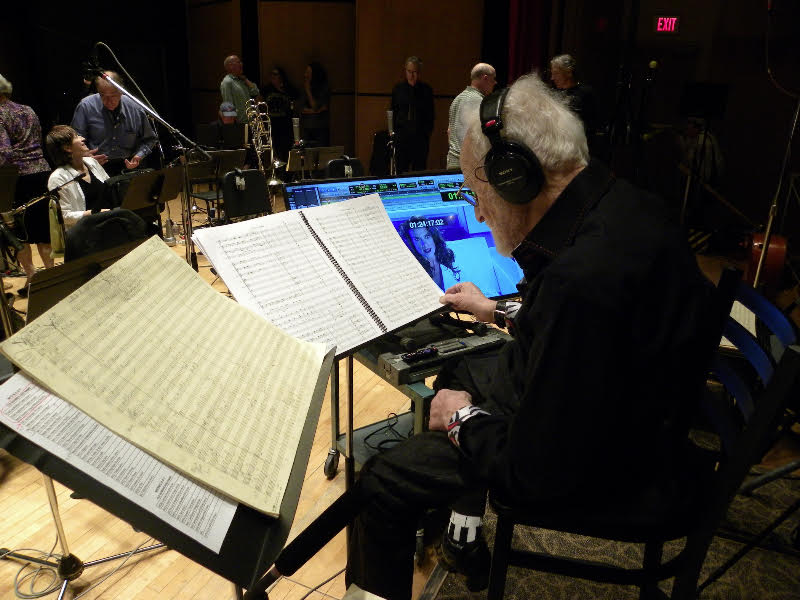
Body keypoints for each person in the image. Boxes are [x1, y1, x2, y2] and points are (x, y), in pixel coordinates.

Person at [345, 73, 716, 600]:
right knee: (465, 367)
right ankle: (464, 527)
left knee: (382, 483)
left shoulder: (581, 279)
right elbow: (579, 330)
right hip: (629, 399)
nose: (477, 212)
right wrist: (495, 310)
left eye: (478, 193)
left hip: (615, 457)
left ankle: (443, 512)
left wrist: (460, 418)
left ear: (514, 176)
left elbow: (531, 471)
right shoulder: (622, 203)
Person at [0, 74, 55, 295]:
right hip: (42, 172)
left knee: (20, 233)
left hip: (17, 179)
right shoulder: (28, 109)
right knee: (43, 229)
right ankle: (51, 275)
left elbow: (3, 153)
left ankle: (32, 277)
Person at [70, 71, 157, 177]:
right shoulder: (86, 106)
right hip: (96, 168)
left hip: (128, 168)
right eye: (103, 96)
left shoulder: (135, 107)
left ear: (121, 91)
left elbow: (150, 139)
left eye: (113, 96)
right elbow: (74, 141)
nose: (108, 101)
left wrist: (139, 155)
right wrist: (86, 157)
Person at [45, 125, 110, 230]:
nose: (82, 138)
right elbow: (64, 215)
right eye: (76, 136)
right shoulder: (57, 178)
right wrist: (95, 213)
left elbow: (110, 187)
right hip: (85, 232)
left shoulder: (91, 162)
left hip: (109, 222)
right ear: (67, 148)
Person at [446, 63, 496, 169]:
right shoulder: (479, 101)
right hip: (468, 167)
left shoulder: (457, 99)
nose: (495, 83)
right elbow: (479, 138)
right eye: (493, 79)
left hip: (452, 163)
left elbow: (449, 132)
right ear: (485, 78)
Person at [391, 56, 434, 173]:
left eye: (414, 72)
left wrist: (426, 134)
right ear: (405, 71)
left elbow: (431, 115)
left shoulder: (426, 90)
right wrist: (395, 133)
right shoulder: (398, 89)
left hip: (420, 138)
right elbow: (393, 112)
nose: (411, 75)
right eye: (409, 71)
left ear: (419, 72)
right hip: (402, 137)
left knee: (419, 171)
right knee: (401, 170)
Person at [549, 54, 599, 148]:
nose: (552, 78)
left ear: (569, 72)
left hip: (578, 147)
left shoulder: (586, 93)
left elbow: (592, 126)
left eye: (555, 73)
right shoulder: (552, 93)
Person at [400, 217, 461, 290]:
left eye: (427, 236)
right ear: (411, 243)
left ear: (434, 237)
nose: (424, 244)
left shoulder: (449, 257)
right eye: (417, 239)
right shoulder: (411, 271)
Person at [262, 66, 297, 161]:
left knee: (286, 151)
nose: (273, 76)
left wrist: (281, 89)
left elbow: (296, 96)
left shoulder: (287, 88)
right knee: (275, 152)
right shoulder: (267, 89)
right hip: (272, 126)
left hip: (286, 126)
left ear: (281, 76)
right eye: (271, 74)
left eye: (275, 74)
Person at [220, 55, 260, 124]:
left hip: (251, 121)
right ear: (230, 66)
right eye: (238, 62)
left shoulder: (241, 80)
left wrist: (246, 79)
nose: (241, 64)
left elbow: (255, 92)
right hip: (240, 123)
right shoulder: (227, 82)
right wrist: (233, 126)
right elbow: (228, 105)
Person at [298, 62, 330, 146]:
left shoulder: (323, 89)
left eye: (308, 72)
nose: (305, 75)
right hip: (306, 128)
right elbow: (302, 109)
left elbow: (315, 106)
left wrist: (308, 90)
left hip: (320, 128)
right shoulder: (304, 88)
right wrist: (316, 111)